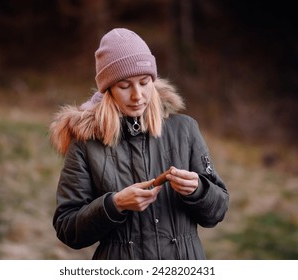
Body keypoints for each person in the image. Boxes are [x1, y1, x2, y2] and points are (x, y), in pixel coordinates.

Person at [49, 28, 229, 260]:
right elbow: (67, 229)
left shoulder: (185, 129)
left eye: (144, 83)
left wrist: (198, 190)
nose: (138, 96)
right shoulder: (85, 143)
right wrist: (114, 204)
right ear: (108, 89)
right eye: (124, 86)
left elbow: (218, 211)